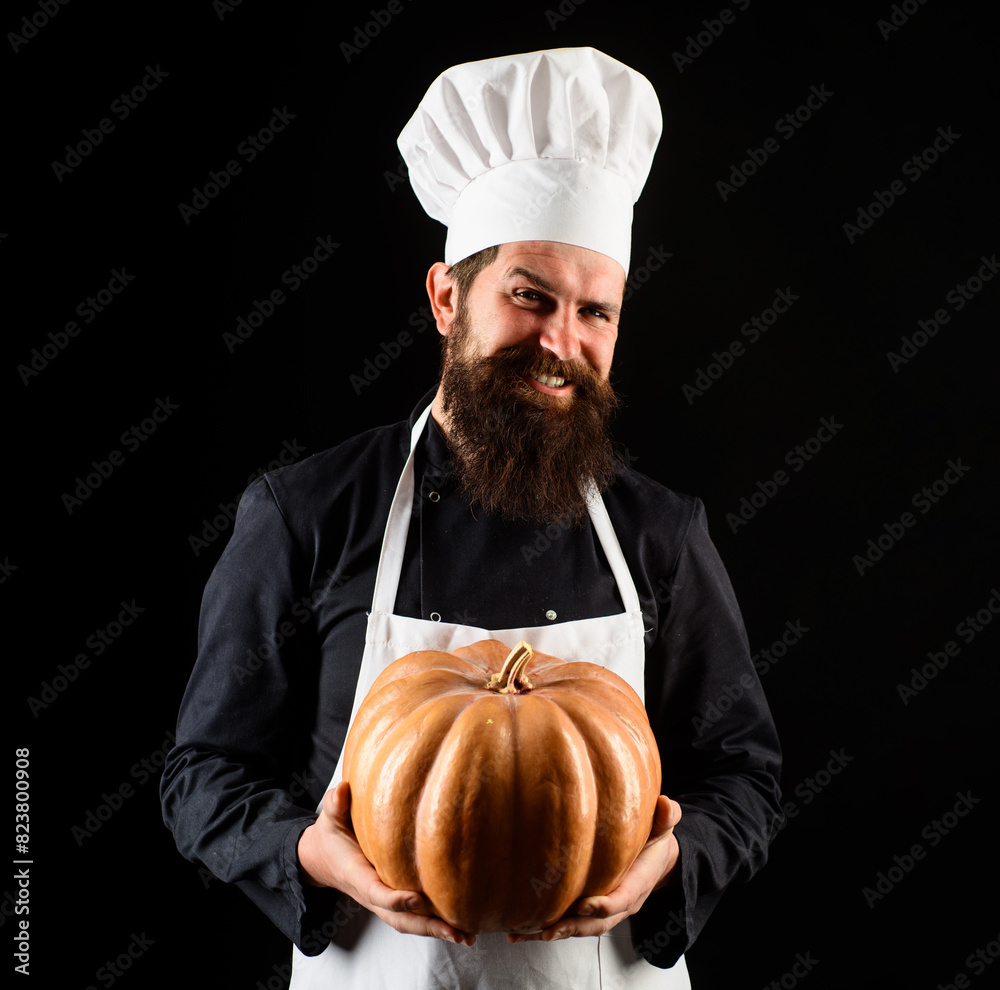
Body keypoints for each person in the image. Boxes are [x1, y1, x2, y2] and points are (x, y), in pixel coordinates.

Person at [161, 47, 782, 989]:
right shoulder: (309, 515)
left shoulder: (661, 534)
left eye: (595, 313)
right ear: (448, 299)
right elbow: (202, 774)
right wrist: (310, 854)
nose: (561, 344)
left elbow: (744, 775)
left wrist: (672, 863)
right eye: (529, 296)